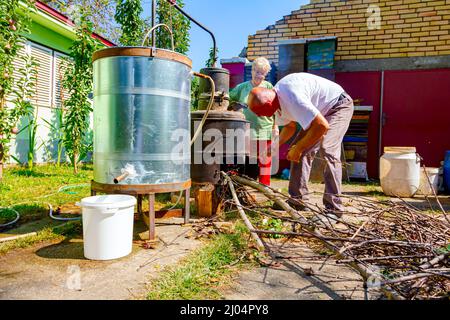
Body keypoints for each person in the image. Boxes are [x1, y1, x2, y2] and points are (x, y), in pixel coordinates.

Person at [247, 72, 354, 219]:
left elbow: (322, 126)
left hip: (338, 106)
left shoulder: (293, 97)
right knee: (298, 150)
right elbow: (290, 127)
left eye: (259, 113)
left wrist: (299, 147)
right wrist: (273, 147)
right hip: (319, 114)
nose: (260, 116)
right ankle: (297, 200)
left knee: (327, 148)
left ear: (268, 104)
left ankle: (334, 209)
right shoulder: (276, 101)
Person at [229, 57, 278, 186]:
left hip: (264, 129)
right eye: (257, 71)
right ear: (252, 70)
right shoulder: (242, 87)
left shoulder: (269, 87)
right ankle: (243, 186)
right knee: (245, 159)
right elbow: (228, 99)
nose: (259, 75)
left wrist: (276, 126)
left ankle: (264, 187)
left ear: (266, 74)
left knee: (265, 160)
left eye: (262, 73)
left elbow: (276, 109)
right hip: (246, 130)